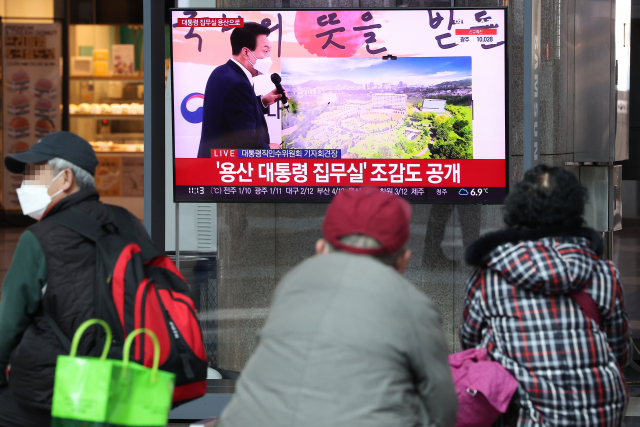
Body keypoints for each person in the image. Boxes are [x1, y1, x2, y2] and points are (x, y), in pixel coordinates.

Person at [217, 187, 458, 427]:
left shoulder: (293, 282)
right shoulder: (414, 305)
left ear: (321, 248)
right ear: (403, 261)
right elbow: (442, 408)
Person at [461, 165, 631, 427]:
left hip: (523, 415)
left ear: (517, 209)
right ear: (575, 209)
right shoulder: (603, 271)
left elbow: (471, 343)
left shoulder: (491, 274)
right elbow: (620, 351)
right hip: (600, 412)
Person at [0, 131, 147, 427]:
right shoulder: (129, 223)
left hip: (58, 387)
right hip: (126, 377)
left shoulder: (39, 237)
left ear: (65, 178)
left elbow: (8, 324)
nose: (24, 184)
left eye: (34, 174)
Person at [197, 22, 284, 157]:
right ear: (246, 52)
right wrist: (268, 149)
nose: (268, 58)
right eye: (265, 51)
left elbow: (233, 112)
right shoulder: (238, 84)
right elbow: (247, 140)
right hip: (226, 165)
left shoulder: (222, 72)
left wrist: (262, 101)